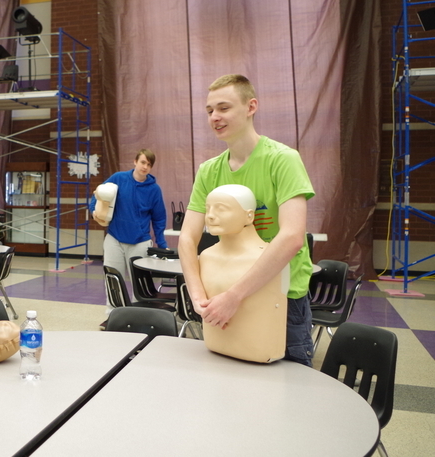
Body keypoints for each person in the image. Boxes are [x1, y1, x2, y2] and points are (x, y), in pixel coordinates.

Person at [178, 74, 315, 366]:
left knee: (287, 383)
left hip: (281, 296)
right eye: (210, 110)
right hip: (221, 295)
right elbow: (187, 237)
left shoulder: (283, 160)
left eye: (224, 108)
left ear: (251, 107)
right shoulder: (208, 171)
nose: (214, 117)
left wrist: (235, 296)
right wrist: (197, 295)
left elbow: (292, 236)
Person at [199, 184, 288, 363]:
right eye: (208, 209)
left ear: (249, 216)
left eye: (221, 209)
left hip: (260, 356)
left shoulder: (271, 260)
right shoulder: (206, 256)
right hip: (214, 353)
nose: (210, 215)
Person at [89, 149, 168, 318]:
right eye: (143, 162)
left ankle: (137, 317)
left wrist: (162, 244)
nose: (145, 167)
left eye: (149, 164)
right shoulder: (118, 178)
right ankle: (112, 316)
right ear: (135, 161)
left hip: (140, 242)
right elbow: (98, 195)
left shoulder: (154, 190)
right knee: (112, 279)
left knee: (139, 284)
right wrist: (93, 210)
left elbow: (159, 218)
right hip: (114, 239)